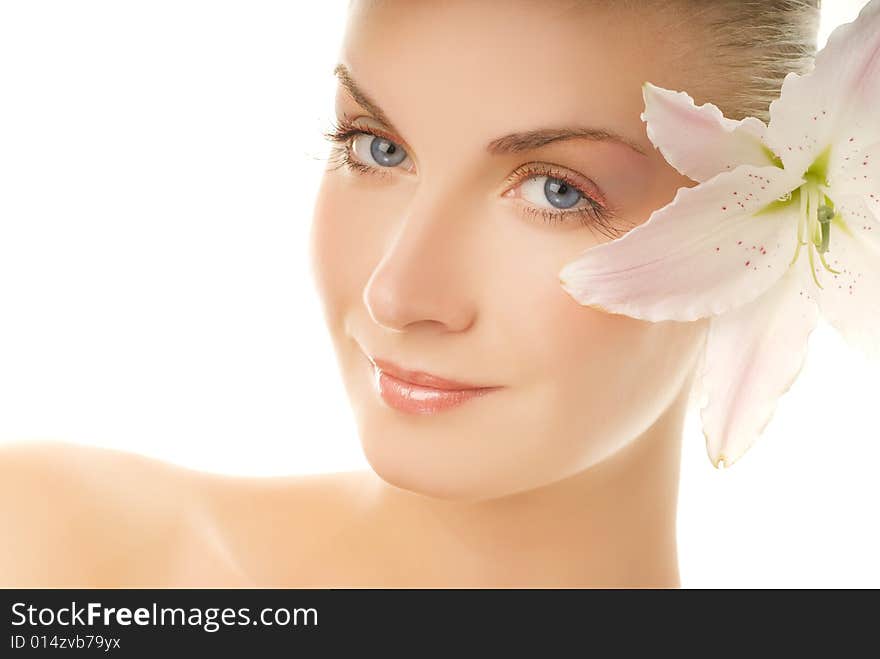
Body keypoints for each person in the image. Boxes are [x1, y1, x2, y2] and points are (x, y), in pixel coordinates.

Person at [0, 0, 821, 587]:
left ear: (764, 242)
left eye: (556, 192)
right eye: (378, 148)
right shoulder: (52, 550)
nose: (395, 294)